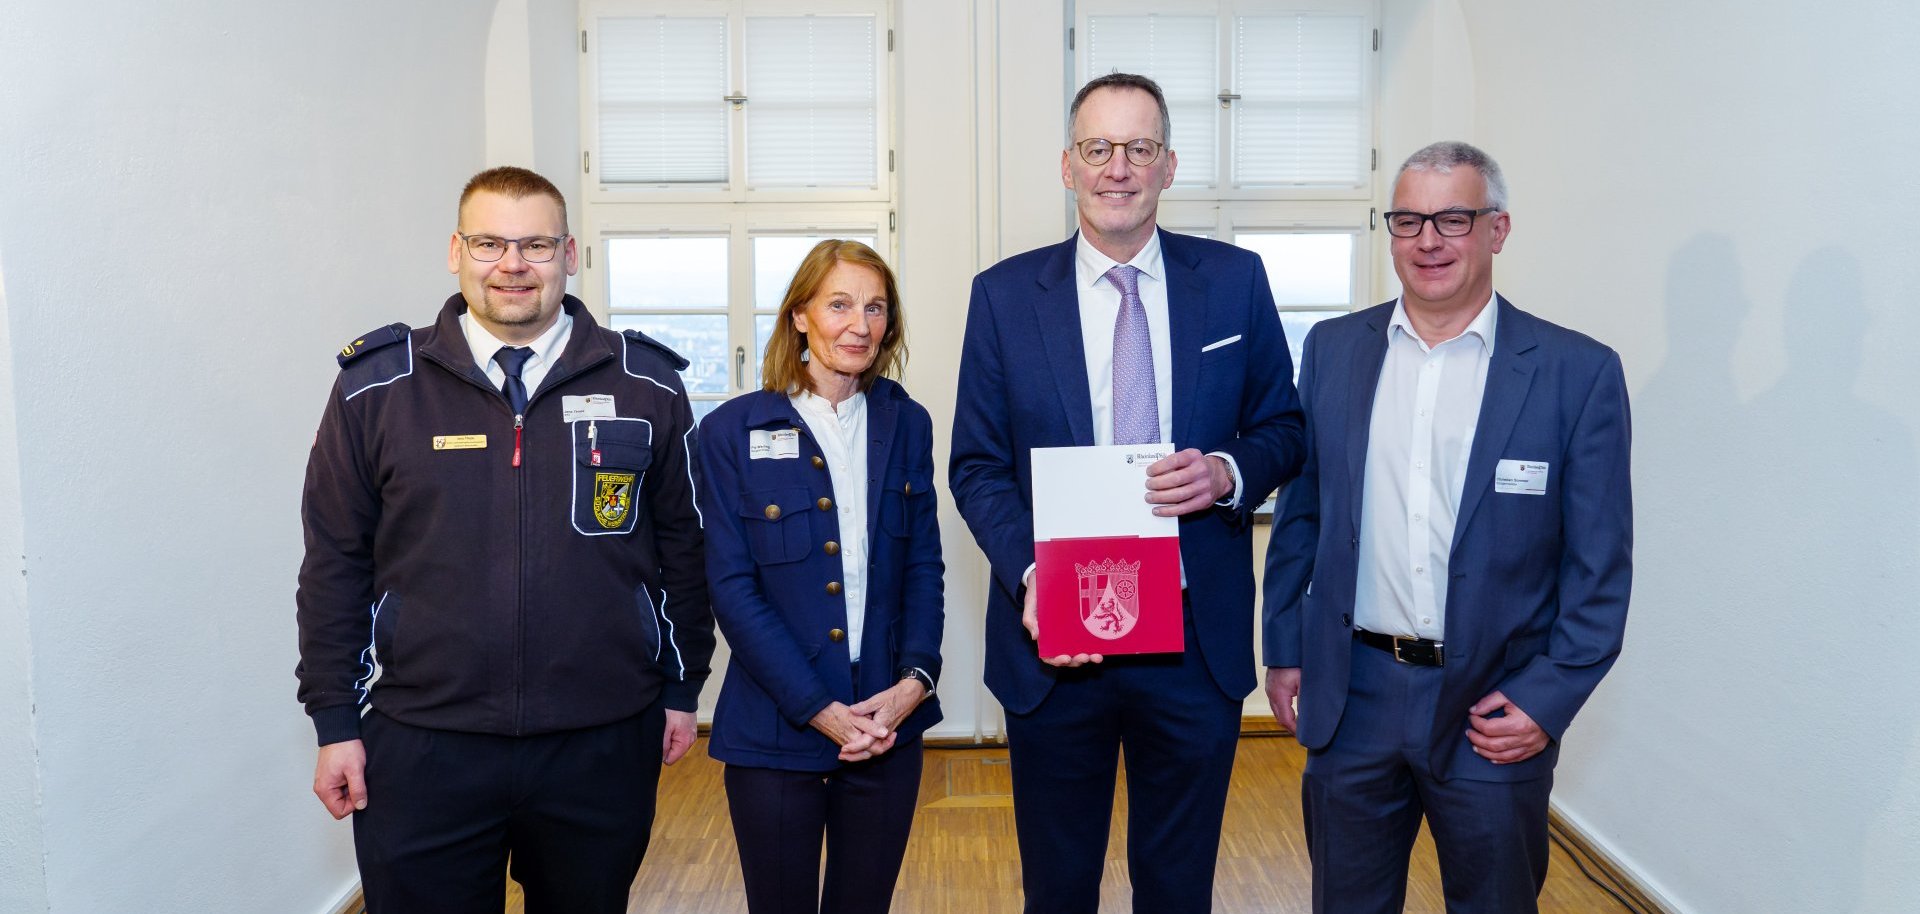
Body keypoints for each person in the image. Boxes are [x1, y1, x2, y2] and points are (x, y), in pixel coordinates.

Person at [295, 166, 713, 913]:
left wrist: (682, 690)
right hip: (424, 743)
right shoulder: (376, 388)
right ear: (455, 250)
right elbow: (334, 565)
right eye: (489, 243)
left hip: (601, 738)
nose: (513, 264)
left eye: (536, 245)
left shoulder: (646, 385)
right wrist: (334, 720)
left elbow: (685, 550)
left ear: (571, 254)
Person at [948, 73, 1306, 913]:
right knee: (1059, 885)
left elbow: (1285, 429)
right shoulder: (1003, 297)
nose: (1119, 168)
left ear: (1169, 165)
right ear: (1067, 167)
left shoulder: (1235, 281)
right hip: (1058, 644)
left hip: (1194, 640)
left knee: (1178, 888)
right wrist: (1034, 578)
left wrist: (1225, 473)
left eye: (1139, 149)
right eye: (1098, 148)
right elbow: (976, 466)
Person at [1262, 141, 1633, 914]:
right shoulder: (1332, 351)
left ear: (1496, 230)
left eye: (1452, 218)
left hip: (1492, 708)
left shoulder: (1576, 373)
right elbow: (1306, 513)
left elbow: (1599, 569)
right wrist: (1286, 650)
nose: (1428, 240)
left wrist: (1546, 697)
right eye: (1408, 220)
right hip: (1353, 700)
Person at [697, 239, 943, 914]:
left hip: (888, 725)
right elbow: (733, 589)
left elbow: (924, 563)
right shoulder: (727, 432)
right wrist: (819, 710)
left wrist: (914, 684)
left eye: (875, 308)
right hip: (777, 734)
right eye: (839, 304)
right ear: (801, 315)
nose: (858, 325)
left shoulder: (906, 423)